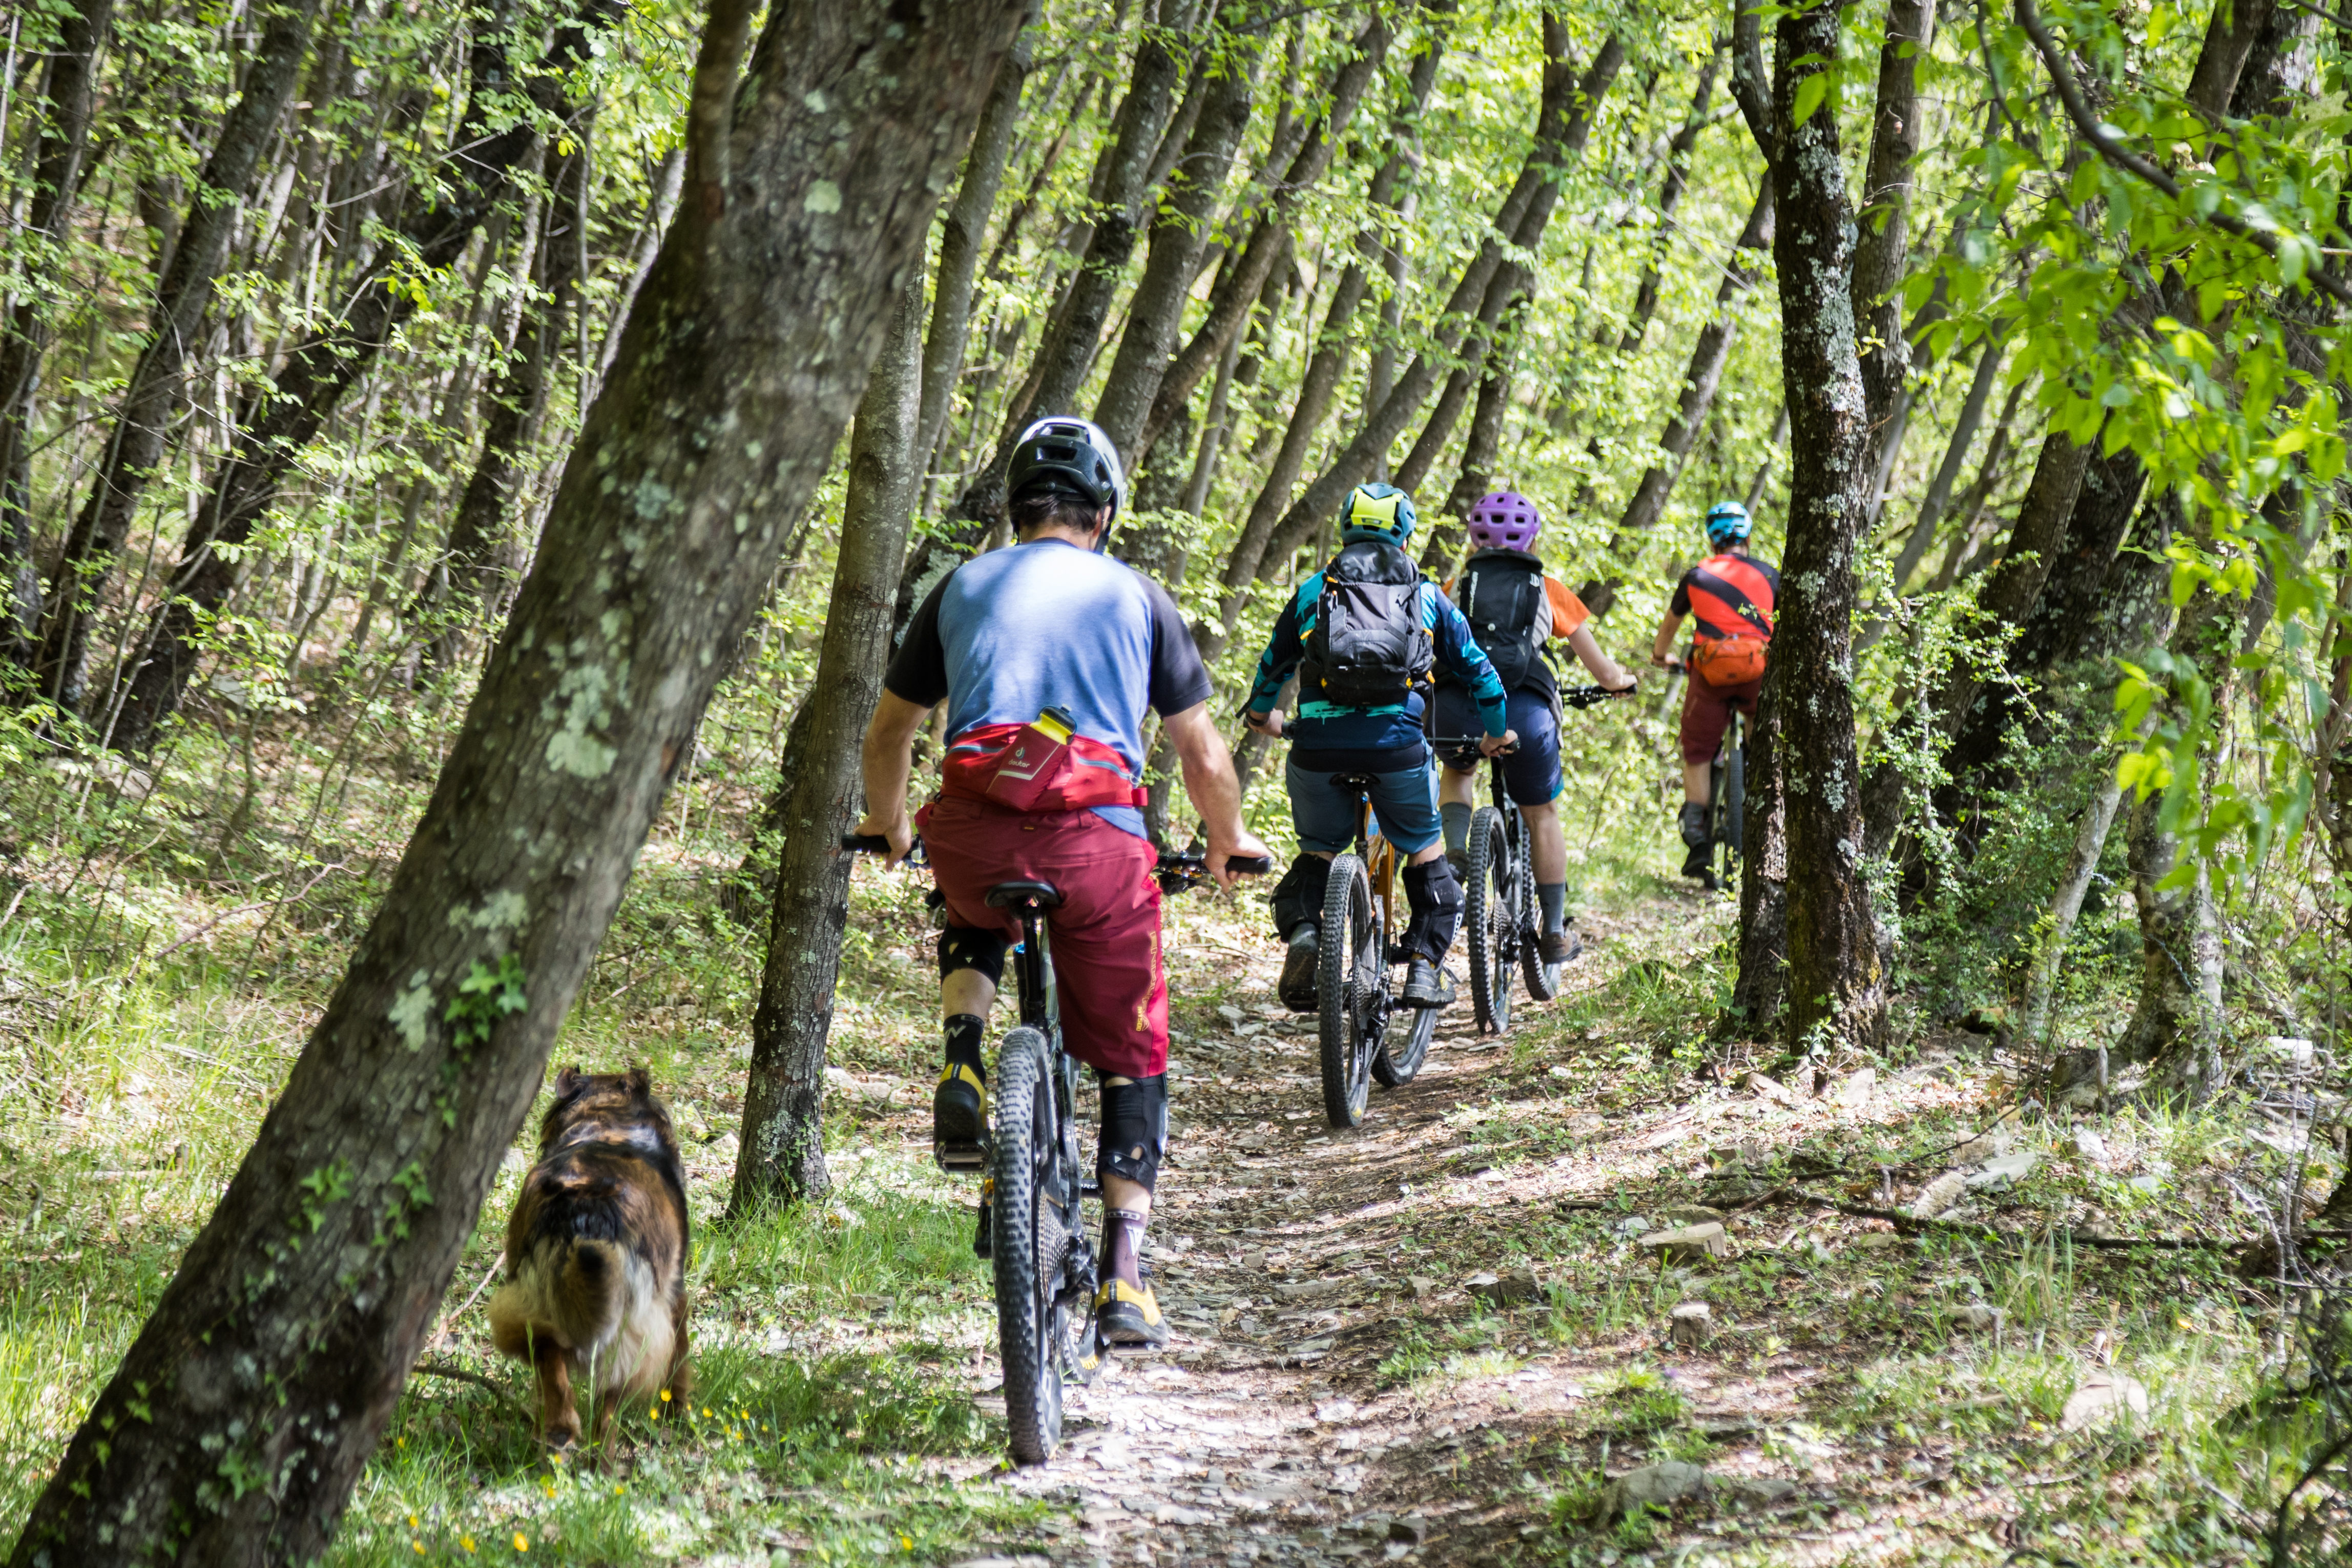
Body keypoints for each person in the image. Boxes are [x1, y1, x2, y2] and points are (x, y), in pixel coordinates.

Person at [852, 415, 1270, 1350]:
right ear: (1106, 511)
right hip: (1096, 844)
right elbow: (1201, 753)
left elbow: (889, 734)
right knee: (1133, 1047)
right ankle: (1125, 1277)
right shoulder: (1137, 595)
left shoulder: (958, 585)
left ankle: (963, 1050)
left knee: (969, 906)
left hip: (972, 830)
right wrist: (1227, 839)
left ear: (1014, 506)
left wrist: (888, 824)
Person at [1241, 482, 1514, 1014]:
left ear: (1344, 530)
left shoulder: (1312, 591)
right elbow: (1482, 675)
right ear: (1407, 537)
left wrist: (1260, 717)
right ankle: (1423, 968)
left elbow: (1272, 666)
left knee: (1318, 849)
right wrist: (1495, 731)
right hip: (1397, 750)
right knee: (1425, 847)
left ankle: (1304, 935)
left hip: (1318, 747)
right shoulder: (1429, 596)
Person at [1431, 490, 1636, 963]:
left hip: (1454, 710)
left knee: (1459, 773)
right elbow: (1603, 672)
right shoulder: (1548, 588)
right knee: (1541, 813)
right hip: (1526, 715)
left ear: (1471, 536)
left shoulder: (1452, 586)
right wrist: (1620, 682)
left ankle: (1458, 852)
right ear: (1532, 538)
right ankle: (1554, 931)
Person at [1650, 499, 1779, 880]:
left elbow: (1669, 628)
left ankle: (1697, 838)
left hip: (1708, 672)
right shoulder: (1771, 575)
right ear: (1748, 537)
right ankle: (1760, 800)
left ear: (1712, 541)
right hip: (1757, 668)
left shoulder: (1696, 576)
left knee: (1698, 749)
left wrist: (1661, 657)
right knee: (1761, 730)